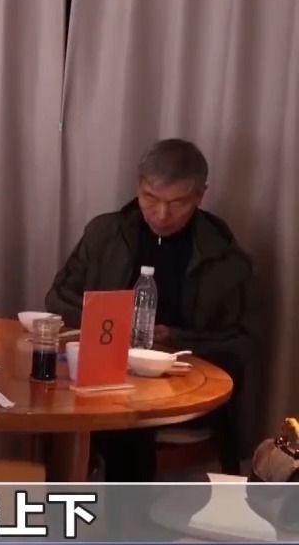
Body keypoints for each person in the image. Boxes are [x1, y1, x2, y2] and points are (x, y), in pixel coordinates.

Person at [46, 138, 255, 480]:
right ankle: (59, 498)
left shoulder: (225, 259)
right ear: (138, 186)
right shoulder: (105, 233)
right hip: (103, 367)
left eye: (177, 203)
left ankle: (122, 512)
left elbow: (243, 341)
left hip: (178, 383)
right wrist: (107, 322)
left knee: (128, 421)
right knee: (47, 396)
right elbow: (57, 297)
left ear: (200, 195)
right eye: (150, 198)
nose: (161, 214)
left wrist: (175, 338)